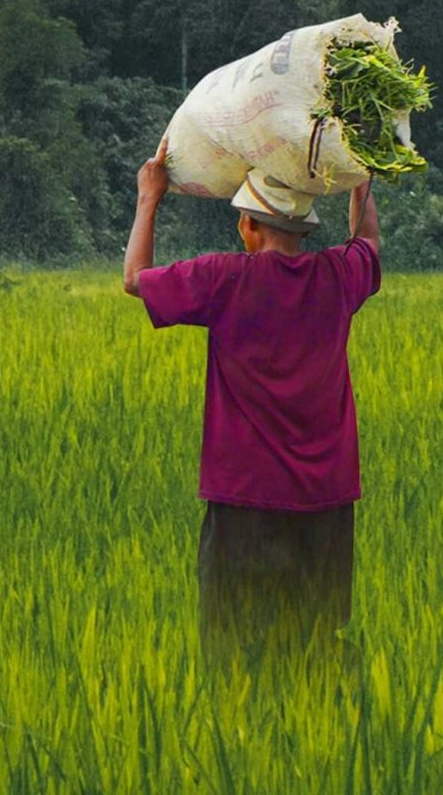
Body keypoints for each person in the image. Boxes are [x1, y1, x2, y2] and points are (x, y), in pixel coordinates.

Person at [122, 140, 381, 669]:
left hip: (243, 498)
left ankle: (245, 741)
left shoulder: (224, 279)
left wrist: (149, 197)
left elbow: (134, 280)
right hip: (327, 499)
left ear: (248, 228)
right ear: (305, 230)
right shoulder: (336, 276)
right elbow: (369, 241)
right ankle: (330, 736)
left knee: (234, 645)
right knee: (316, 641)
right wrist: (360, 177)